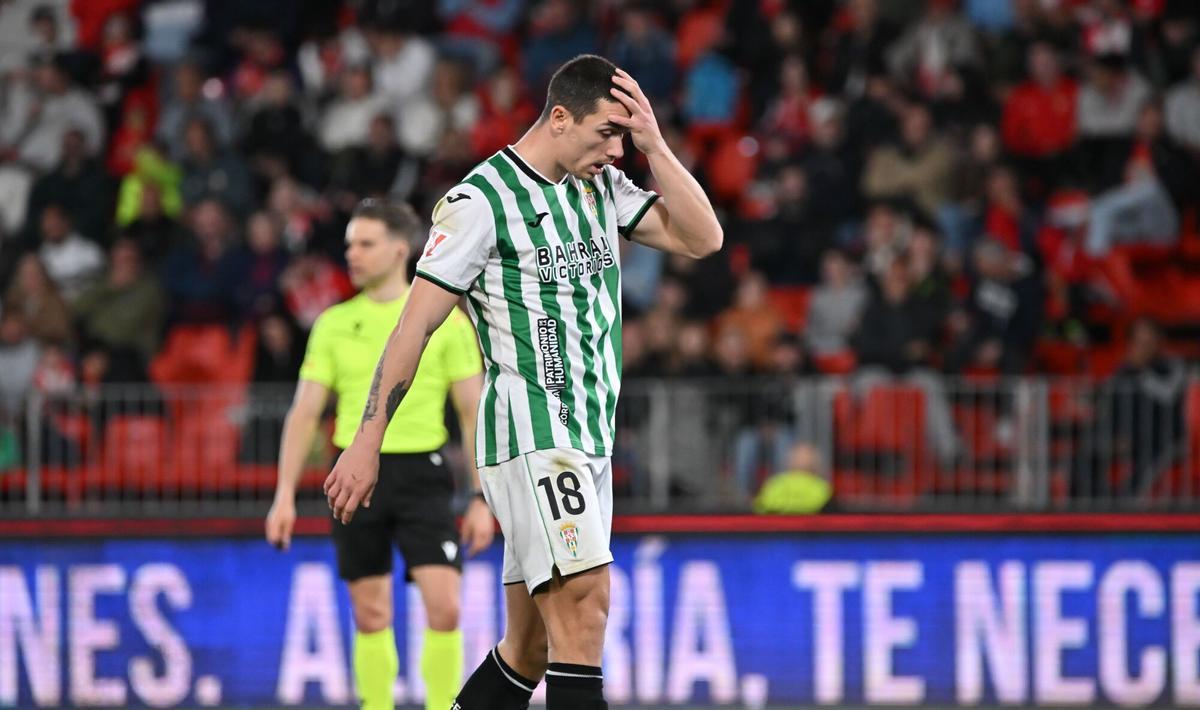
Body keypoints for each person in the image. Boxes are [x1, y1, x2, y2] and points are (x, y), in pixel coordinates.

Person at [322, 54, 722, 709]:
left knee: (529, 649)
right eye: (605, 134)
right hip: (535, 434)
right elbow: (412, 330)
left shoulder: (601, 185)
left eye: (623, 138)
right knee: (587, 610)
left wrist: (653, 144)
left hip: (590, 437)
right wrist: (367, 440)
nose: (614, 151)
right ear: (559, 118)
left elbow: (704, 237)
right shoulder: (479, 203)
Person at [265, 199, 493, 710]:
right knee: (370, 614)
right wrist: (283, 495)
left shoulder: (447, 323)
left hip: (423, 471)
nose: (352, 254)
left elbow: (473, 412)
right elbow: (304, 414)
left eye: (365, 244)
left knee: (446, 607)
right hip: (351, 472)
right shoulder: (332, 324)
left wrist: (482, 497)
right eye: (349, 244)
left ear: (399, 250)